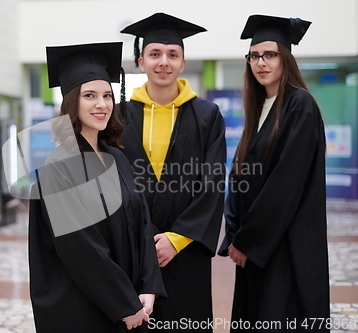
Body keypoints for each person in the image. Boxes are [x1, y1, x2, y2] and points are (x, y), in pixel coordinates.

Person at [28, 42, 167, 333]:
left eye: (107, 95)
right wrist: (125, 305)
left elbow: (142, 224)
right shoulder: (58, 169)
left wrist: (148, 287)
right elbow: (82, 251)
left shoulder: (117, 157)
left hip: (130, 302)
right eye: (89, 95)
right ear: (70, 102)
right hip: (84, 308)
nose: (101, 104)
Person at [218, 14, 330, 331]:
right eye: (254, 55)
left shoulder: (299, 106)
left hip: (283, 246)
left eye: (270, 54)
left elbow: (284, 186)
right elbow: (241, 178)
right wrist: (235, 233)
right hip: (258, 248)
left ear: (286, 58)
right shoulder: (261, 109)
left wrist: (246, 241)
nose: (261, 62)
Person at [120, 13, 226, 332]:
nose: (163, 62)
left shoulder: (207, 115)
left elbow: (213, 183)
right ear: (141, 61)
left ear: (183, 62)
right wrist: (144, 240)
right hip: (135, 249)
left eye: (172, 54)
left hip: (186, 252)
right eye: (155, 54)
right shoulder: (119, 116)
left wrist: (176, 239)